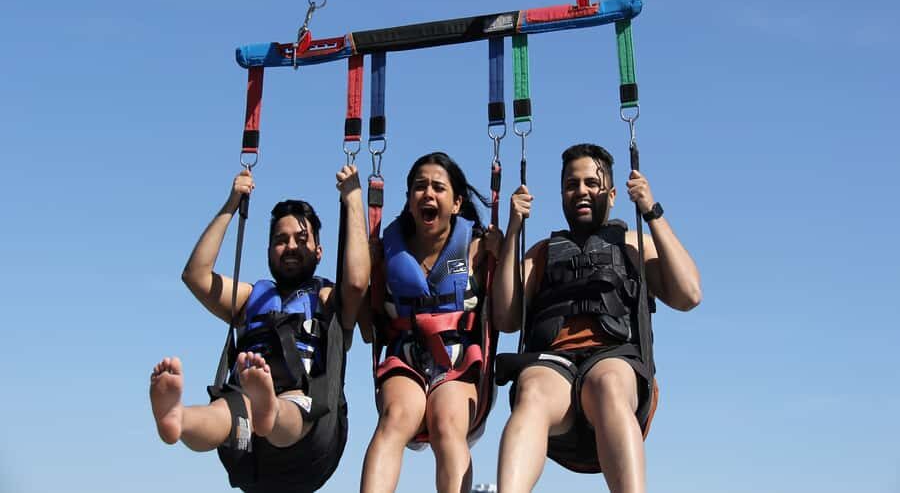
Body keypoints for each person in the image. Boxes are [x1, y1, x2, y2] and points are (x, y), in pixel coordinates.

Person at [492, 143, 702, 493]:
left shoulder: (634, 244)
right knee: (531, 390)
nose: (582, 191)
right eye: (572, 184)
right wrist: (514, 229)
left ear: (613, 193)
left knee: (607, 384)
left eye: (593, 182)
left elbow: (689, 294)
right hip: (554, 367)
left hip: (613, 360)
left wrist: (651, 210)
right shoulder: (542, 252)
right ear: (561, 194)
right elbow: (505, 318)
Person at [149, 165, 370, 493]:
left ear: (319, 252)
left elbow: (356, 281)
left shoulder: (327, 299)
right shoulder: (251, 297)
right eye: (280, 240)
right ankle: (178, 420)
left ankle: (269, 408)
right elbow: (195, 275)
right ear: (268, 252)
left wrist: (353, 200)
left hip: (308, 426)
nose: (291, 246)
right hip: (249, 438)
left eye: (301, 239)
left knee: (286, 409)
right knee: (225, 412)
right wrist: (232, 204)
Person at [358, 152, 501, 493]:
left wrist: (506, 250)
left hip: (458, 361)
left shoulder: (479, 250)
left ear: (456, 203)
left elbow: (508, 314)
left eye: (439, 187)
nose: (428, 194)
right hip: (404, 358)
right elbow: (365, 325)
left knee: (446, 423)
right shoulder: (386, 254)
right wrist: (365, 260)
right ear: (409, 201)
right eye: (419, 187)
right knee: (395, 418)